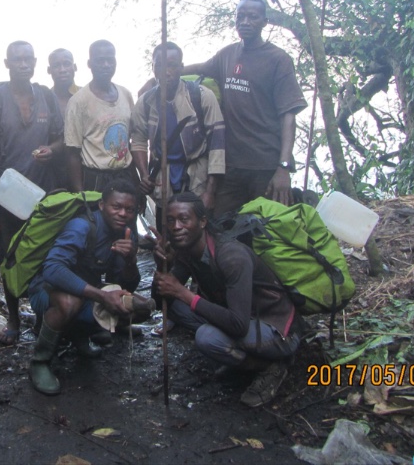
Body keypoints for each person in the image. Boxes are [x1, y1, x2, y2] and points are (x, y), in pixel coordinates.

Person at [151, 0, 307, 214]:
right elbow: (202, 67)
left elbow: (288, 116)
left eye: (252, 17)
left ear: (265, 21)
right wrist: (159, 77)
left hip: (265, 164)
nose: (245, 22)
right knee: (221, 224)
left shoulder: (278, 60)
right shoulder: (228, 54)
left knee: (265, 228)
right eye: (240, 16)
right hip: (230, 163)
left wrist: (283, 168)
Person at [151, 191, 302, 408]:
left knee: (206, 337)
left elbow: (238, 325)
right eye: (171, 221)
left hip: (278, 330)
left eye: (184, 219)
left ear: (202, 222)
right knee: (174, 306)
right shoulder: (186, 251)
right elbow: (161, 301)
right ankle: (243, 359)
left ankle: (270, 366)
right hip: (242, 319)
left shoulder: (231, 256)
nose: (176, 227)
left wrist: (184, 293)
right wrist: (161, 265)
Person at [0, 41, 64, 346]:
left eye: (28, 59)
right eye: (18, 60)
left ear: (35, 62)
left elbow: (60, 140)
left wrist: (49, 151)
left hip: (43, 195)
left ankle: (43, 318)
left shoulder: (46, 97)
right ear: (7, 63)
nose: (24, 64)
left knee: (45, 256)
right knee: (9, 258)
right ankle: (14, 319)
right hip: (7, 199)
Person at [26, 178, 142, 395]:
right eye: (116, 207)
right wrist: (101, 296)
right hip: (45, 290)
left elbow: (125, 285)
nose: (122, 214)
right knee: (71, 302)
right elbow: (52, 269)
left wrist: (130, 260)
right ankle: (40, 361)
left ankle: (78, 335)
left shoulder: (126, 234)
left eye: (129, 209)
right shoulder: (82, 226)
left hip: (86, 291)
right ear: (102, 205)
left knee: (130, 307)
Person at [130, 41, 226, 217]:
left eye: (172, 66)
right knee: (165, 232)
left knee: (194, 231)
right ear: (153, 68)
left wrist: (210, 192)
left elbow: (217, 145)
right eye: (159, 65)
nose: (166, 72)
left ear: (181, 68)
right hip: (162, 179)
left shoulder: (201, 96)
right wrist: (144, 175)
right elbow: (138, 140)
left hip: (196, 177)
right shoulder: (145, 102)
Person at [64, 40, 139, 195]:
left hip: (124, 176)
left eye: (110, 60)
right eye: (100, 60)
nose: (106, 65)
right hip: (95, 179)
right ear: (89, 64)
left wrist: (136, 184)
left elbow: (128, 143)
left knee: (125, 218)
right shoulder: (78, 102)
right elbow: (72, 153)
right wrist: (80, 194)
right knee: (96, 219)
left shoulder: (125, 94)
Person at [45, 48, 81, 191]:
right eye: (56, 66)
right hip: (54, 171)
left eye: (67, 64)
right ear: (49, 70)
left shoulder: (87, 96)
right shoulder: (44, 99)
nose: (62, 69)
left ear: (75, 67)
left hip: (85, 169)